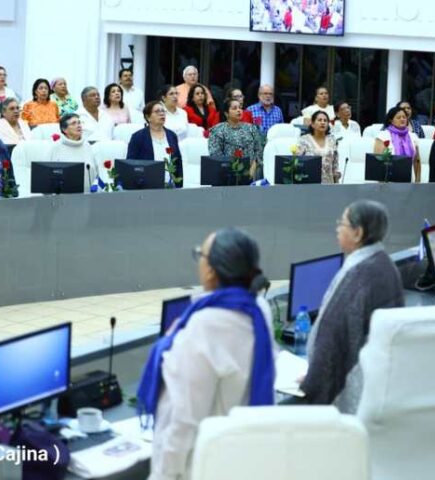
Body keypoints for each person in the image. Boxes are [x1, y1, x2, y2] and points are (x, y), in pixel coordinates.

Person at [137, 227, 275, 480]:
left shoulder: (205, 326)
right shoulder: (258, 310)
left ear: (211, 269)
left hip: (198, 467)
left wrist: (162, 475)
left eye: (200, 254)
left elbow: (184, 418)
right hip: (238, 460)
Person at [301, 200, 403, 412]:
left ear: (358, 233)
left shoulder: (359, 276)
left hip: (351, 398)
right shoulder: (383, 263)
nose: (338, 228)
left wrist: (312, 382)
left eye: (343, 223)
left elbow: (332, 339)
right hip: (376, 386)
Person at [126, 100, 184, 188]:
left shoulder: (172, 135)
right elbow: (130, 164)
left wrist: (179, 186)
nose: (162, 114)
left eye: (163, 111)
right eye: (157, 111)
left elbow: (178, 163)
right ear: (148, 117)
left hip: (170, 186)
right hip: (147, 186)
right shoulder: (138, 137)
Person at [208, 99, 263, 180]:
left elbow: (258, 151)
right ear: (226, 113)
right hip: (227, 175)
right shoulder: (217, 130)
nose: (239, 110)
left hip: (251, 172)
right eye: (234, 108)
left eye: (240, 108)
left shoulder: (251, 128)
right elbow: (215, 155)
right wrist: (233, 171)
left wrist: (252, 168)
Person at [374, 106, 421, 183]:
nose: (402, 119)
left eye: (404, 117)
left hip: (409, 180)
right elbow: (378, 162)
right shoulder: (382, 136)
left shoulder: (413, 136)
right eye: (398, 117)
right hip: (388, 181)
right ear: (391, 121)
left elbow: (417, 161)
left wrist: (418, 180)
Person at [295, 110, 340, 184]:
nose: (323, 122)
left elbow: (335, 165)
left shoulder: (332, 140)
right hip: (309, 184)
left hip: (329, 185)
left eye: (325, 121)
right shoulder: (304, 140)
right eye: (319, 120)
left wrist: (337, 184)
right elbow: (297, 163)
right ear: (312, 124)